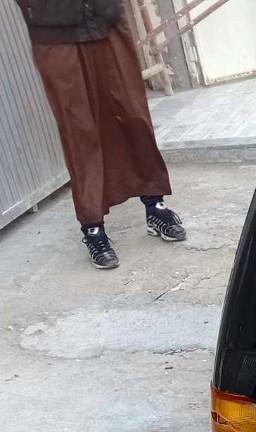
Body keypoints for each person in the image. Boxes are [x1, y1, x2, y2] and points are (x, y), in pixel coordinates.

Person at [16, 0, 186, 269]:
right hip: (54, 31)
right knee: (78, 129)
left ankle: (155, 205)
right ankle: (93, 228)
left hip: (105, 18)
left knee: (133, 114)